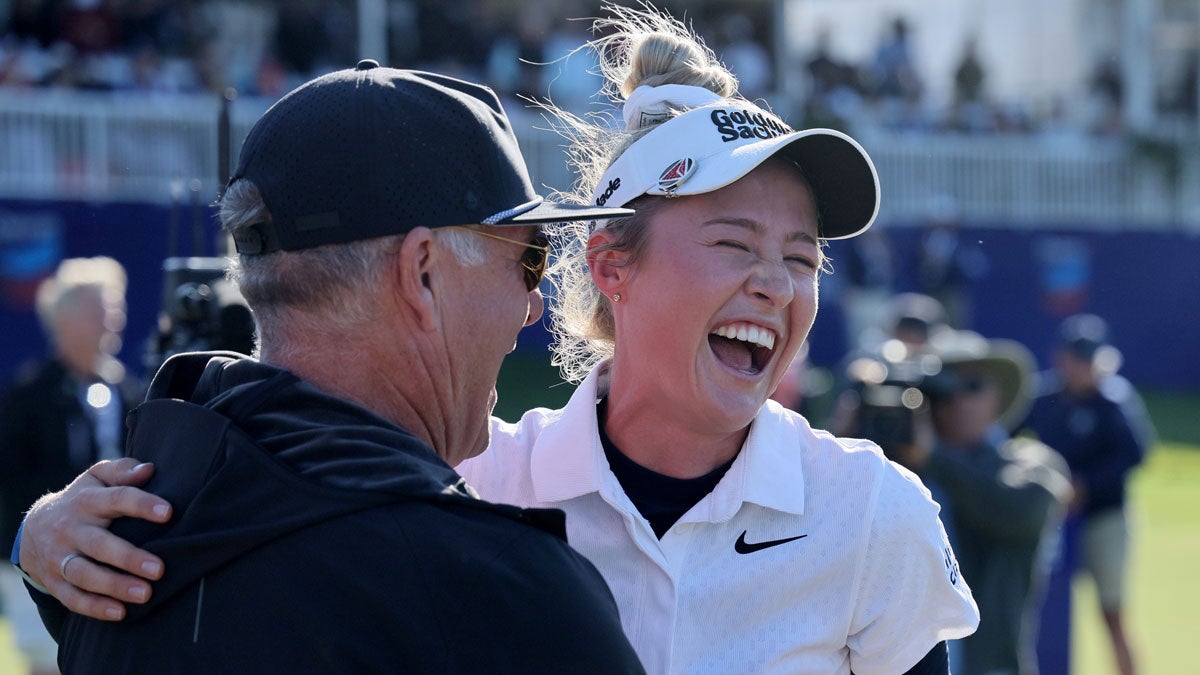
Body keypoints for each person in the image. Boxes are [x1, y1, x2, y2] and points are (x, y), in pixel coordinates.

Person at [15, 6, 978, 674]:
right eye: (733, 242)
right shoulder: (471, 481)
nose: (776, 282)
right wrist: (51, 537)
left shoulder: (872, 510)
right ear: (611, 265)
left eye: (803, 257)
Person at [9, 60, 645, 674]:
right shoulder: (509, 595)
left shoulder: (104, 553)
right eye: (528, 262)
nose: (533, 307)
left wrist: (33, 547)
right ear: (422, 273)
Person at [895, 330, 1072, 675]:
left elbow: (1021, 508)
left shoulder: (1027, 462)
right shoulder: (898, 466)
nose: (958, 400)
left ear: (998, 397)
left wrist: (933, 457)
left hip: (989, 664)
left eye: (972, 386)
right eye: (944, 389)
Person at [0, 255, 137, 675]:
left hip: (113, 560)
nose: (112, 320)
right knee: (48, 662)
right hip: (39, 558)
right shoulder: (27, 396)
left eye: (115, 307)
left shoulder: (131, 393)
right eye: (100, 309)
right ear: (65, 320)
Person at [1022, 314, 1151, 675]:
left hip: (1104, 516)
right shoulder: (1043, 398)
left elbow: (1136, 454)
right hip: (1051, 519)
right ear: (1061, 358)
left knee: (1112, 611)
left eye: (1088, 359)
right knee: (1041, 608)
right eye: (1076, 358)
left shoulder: (1114, 400)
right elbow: (1007, 437)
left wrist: (1086, 485)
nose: (1082, 368)